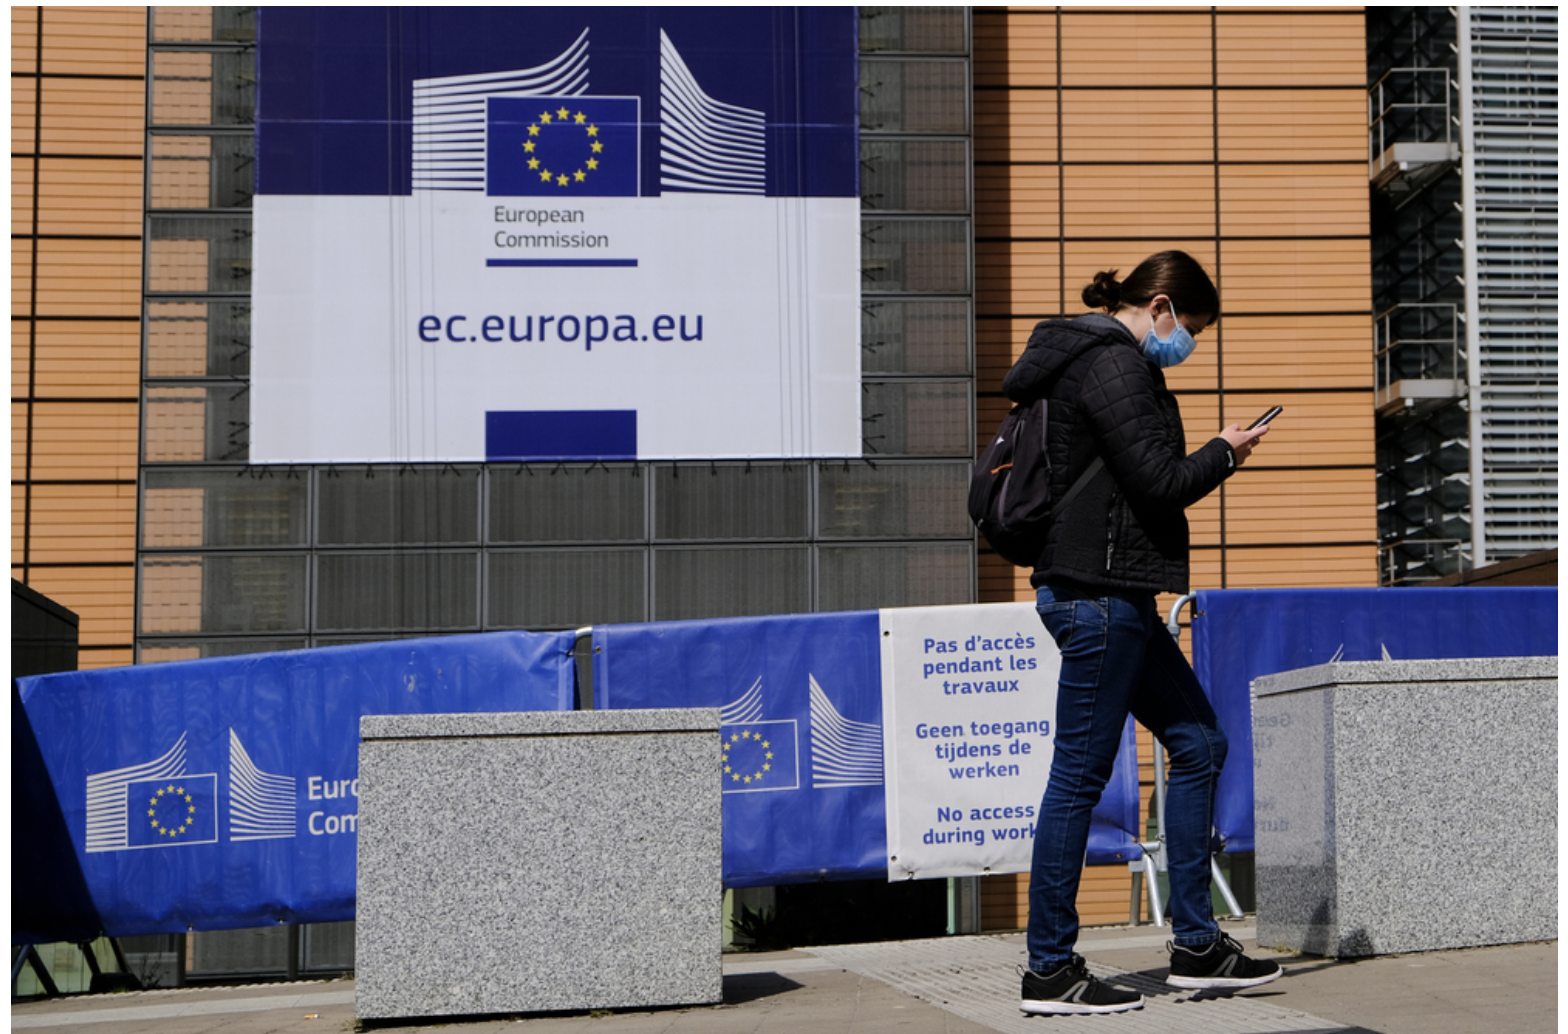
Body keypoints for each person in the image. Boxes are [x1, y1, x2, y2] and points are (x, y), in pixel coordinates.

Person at [1002, 251, 1282, 1015]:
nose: (1185, 343)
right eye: (1186, 327)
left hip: (1116, 596)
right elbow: (1160, 483)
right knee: (1077, 781)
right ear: (1159, 307)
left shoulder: (1096, 360)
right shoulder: (1113, 366)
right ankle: (1050, 970)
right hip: (1098, 601)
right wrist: (1227, 451)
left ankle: (1197, 945)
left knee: (1198, 744)